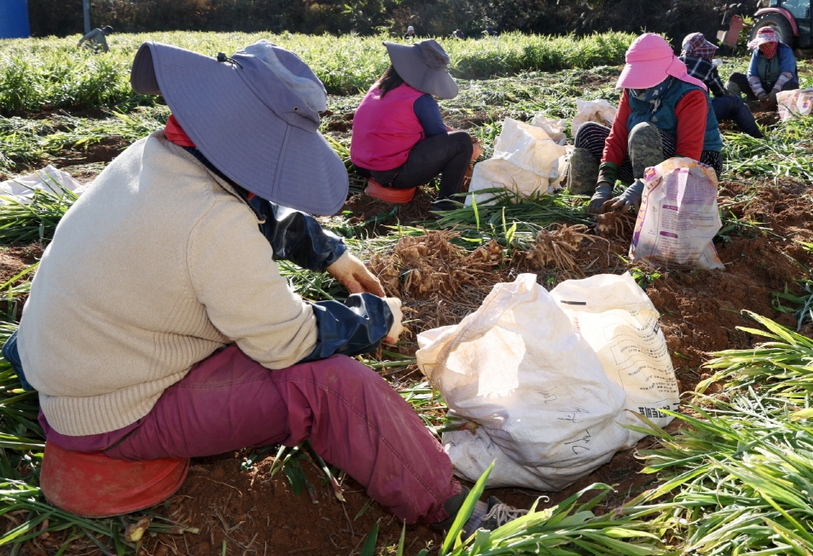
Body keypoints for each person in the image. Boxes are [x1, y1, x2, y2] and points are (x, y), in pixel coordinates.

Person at [1, 40, 524, 534]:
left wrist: (331, 252)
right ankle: (453, 508)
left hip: (64, 367)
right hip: (112, 415)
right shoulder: (214, 224)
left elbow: (237, 209)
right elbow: (285, 343)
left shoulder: (150, 157)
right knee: (334, 386)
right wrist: (376, 317)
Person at [567, 33, 719, 214]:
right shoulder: (631, 92)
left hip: (694, 167)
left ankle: (648, 204)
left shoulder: (691, 95)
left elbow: (688, 155)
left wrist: (641, 185)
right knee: (587, 132)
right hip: (644, 158)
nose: (639, 88)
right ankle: (590, 207)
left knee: (642, 131)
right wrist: (604, 184)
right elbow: (617, 137)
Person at [350, 39, 476, 212]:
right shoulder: (421, 100)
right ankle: (446, 206)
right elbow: (438, 137)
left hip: (362, 166)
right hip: (390, 173)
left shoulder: (380, 87)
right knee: (462, 142)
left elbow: (404, 123)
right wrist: (469, 148)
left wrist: (450, 131)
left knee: (457, 138)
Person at [680, 32, 763, 139]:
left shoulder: (673, 63)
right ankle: (757, 136)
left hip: (673, 117)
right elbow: (720, 93)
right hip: (696, 118)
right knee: (734, 101)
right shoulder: (707, 67)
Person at [726, 27, 799, 106]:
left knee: (791, 84)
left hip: (780, 87)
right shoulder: (757, 52)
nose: (764, 48)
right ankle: (739, 106)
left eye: (766, 45)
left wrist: (775, 91)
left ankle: (782, 105)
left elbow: (787, 74)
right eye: (761, 46)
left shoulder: (785, 50)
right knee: (734, 78)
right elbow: (752, 75)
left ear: (773, 43)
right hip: (762, 86)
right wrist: (760, 93)